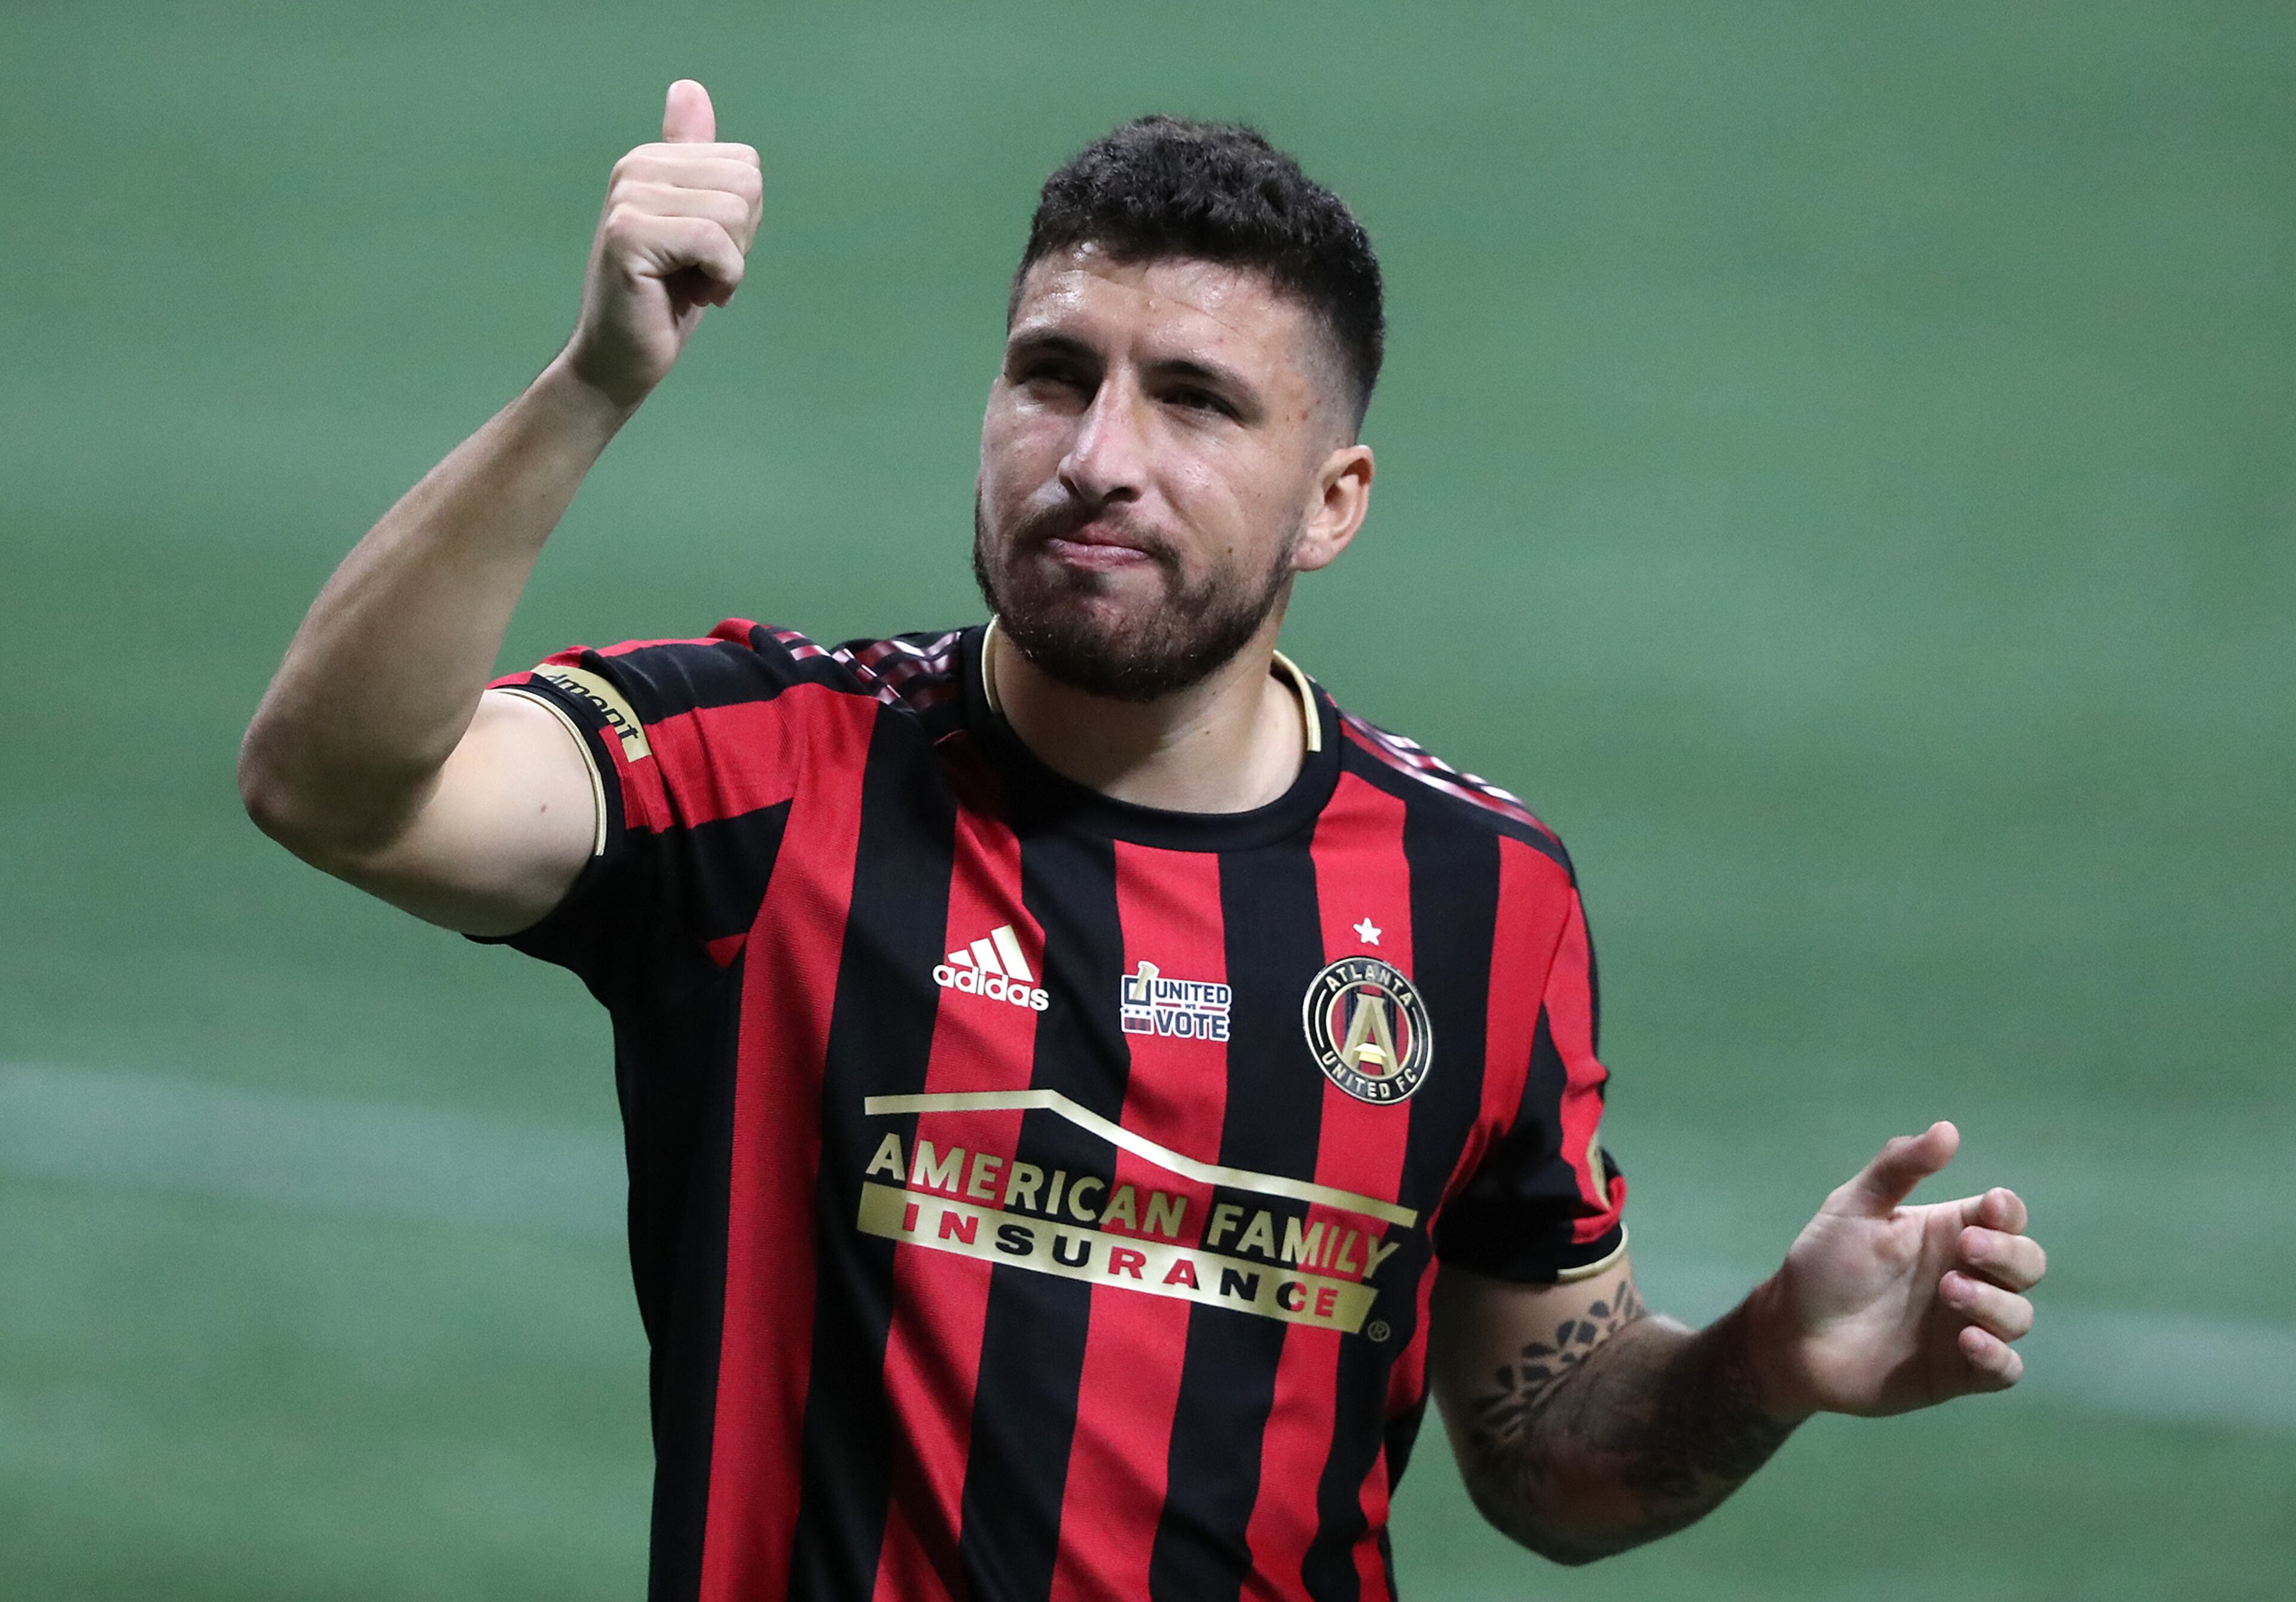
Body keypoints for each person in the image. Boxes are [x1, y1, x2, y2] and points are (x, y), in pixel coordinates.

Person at [239, 80, 2047, 1601]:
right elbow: (335, 787)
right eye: (1052, 374)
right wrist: (593, 384)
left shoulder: (1481, 900)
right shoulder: (768, 768)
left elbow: (1547, 1461)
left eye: (1194, 400)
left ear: (1333, 503)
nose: (1097, 454)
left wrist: (1765, 1362)